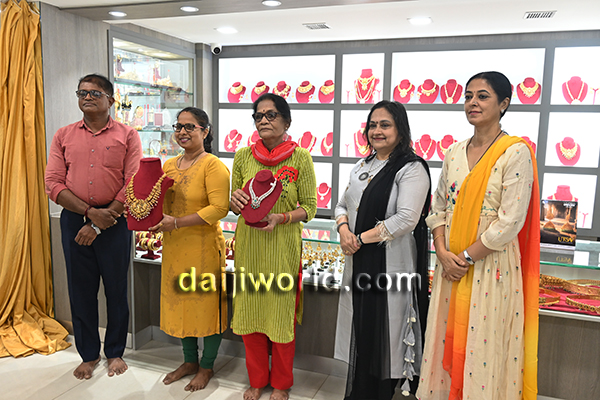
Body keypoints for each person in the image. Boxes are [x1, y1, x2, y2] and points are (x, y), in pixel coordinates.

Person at [416, 71, 540, 400]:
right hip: (449, 266)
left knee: (483, 344)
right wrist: (442, 253)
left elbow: (509, 222)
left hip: (489, 267)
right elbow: (438, 207)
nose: (473, 102)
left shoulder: (515, 152)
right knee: (445, 336)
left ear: (504, 104)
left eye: (483, 96)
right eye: (468, 96)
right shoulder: (454, 152)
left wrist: (465, 258)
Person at [45, 74, 142, 379]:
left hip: (115, 220)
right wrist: (89, 214)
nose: (87, 97)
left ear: (110, 100)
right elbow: (53, 183)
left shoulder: (127, 135)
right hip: (75, 220)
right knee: (81, 290)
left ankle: (114, 352)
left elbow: (133, 182)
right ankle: (88, 354)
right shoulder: (63, 135)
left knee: (116, 290)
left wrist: (101, 220)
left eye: (95, 93)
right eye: (82, 93)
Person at [334, 100, 431, 400]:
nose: (377, 130)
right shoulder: (362, 166)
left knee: (387, 333)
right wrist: (343, 230)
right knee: (363, 329)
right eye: (372, 125)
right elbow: (341, 205)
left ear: (400, 130)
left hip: (391, 264)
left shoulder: (411, 168)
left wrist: (359, 238)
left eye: (385, 125)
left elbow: (406, 218)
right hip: (359, 260)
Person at [229, 93, 317, 400]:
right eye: (258, 116)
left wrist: (282, 217)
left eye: (271, 115)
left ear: (286, 121)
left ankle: (281, 383)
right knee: (250, 315)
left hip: (283, 249)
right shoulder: (243, 156)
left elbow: (310, 207)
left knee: (280, 318)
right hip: (249, 250)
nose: (264, 120)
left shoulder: (300, 158)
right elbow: (235, 203)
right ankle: (256, 380)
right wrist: (235, 201)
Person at [147, 107, 230, 391]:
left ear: (205, 131)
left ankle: (206, 366)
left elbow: (219, 208)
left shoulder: (213, 166)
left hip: (203, 248)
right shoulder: (169, 165)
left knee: (206, 308)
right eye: (178, 126)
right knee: (181, 304)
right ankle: (189, 361)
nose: (182, 132)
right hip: (174, 247)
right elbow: (159, 201)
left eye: (190, 127)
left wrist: (177, 222)